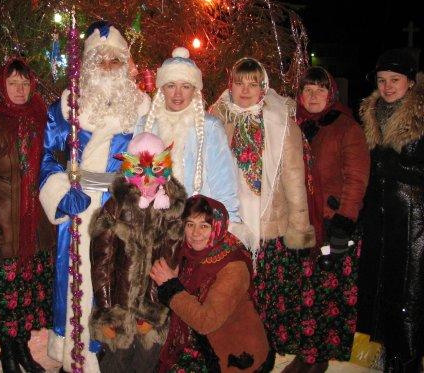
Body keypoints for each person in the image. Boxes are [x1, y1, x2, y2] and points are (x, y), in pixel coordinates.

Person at [39, 21, 151, 372]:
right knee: (78, 281)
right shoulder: (64, 109)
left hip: (122, 210)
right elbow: (48, 157)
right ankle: (76, 357)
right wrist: (60, 193)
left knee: (120, 283)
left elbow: (152, 159)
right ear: (87, 64)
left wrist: (141, 197)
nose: (107, 67)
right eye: (99, 60)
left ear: (125, 64)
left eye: (115, 60)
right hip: (80, 208)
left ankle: (112, 356)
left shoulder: (142, 108)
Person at [209, 58, 314, 363]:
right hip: (230, 220)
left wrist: (299, 227)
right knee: (233, 290)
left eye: (253, 84)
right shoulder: (217, 119)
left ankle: (267, 353)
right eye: (239, 83)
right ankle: (235, 348)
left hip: (269, 220)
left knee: (266, 292)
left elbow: (294, 178)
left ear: (263, 88)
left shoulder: (282, 124)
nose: (245, 90)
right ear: (230, 85)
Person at [357, 49, 424, 372]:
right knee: (381, 289)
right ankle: (387, 356)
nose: (387, 87)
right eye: (382, 80)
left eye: (394, 80)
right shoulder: (371, 114)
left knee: (411, 294)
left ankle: (409, 360)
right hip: (381, 220)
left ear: (410, 82)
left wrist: (401, 167)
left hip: (416, 223)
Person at [0, 57, 52, 373]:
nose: (20, 89)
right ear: (2, 86)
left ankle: (22, 348)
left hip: (34, 227)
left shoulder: (40, 117)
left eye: (25, 83)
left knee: (25, 295)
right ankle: (8, 352)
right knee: (6, 296)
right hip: (4, 226)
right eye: (13, 83)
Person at [288, 66, 370, 373]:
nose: (313, 96)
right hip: (303, 223)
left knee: (326, 294)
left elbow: (357, 177)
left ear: (331, 93)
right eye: (307, 90)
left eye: (320, 89)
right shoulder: (296, 126)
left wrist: (344, 222)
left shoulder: (346, 127)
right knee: (304, 292)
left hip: (334, 224)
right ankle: (305, 352)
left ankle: (319, 356)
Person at [89, 132, 187, 372]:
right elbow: (101, 262)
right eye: (139, 170)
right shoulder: (115, 207)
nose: (147, 178)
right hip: (118, 306)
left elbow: (170, 261)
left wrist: (152, 310)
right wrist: (107, 310)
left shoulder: (172, 210)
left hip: (153, 306)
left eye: (155, 169)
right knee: (116, 363)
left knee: (146, 361)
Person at [150, 195, 270, 372]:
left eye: (204, 226)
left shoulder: (232, 266)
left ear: (217, 228)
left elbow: (205, 322)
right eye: (190, 224)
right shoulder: (189, 252)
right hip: (201, 339)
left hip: (233, 353)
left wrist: (171, 286)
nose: (195, 233)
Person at [136, 47, 240, 223]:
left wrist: (228, 221)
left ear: (194, 90)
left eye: (185, 86)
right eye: (171, 86)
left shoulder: (209, 127)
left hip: (196, 225)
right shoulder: (146, 125)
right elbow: (133, 177)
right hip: (154, 222)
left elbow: (224, 181)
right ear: (162, 89)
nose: (178, 94)